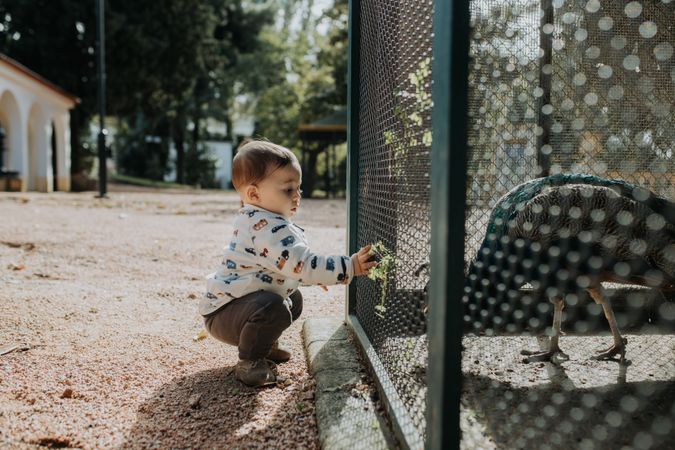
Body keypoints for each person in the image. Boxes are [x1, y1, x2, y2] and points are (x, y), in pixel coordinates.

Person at [201, 139, 377, 387]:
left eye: (299, 188)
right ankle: (250, 362)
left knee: (293, 299)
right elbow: (302, 264)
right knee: (274, 307)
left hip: (238, 306)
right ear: (253, 193)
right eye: (287, 189)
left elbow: (286, 265)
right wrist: (350, 266)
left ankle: (264, 343)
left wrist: (311, 277)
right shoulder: (266, 228)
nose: (297, 196)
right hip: (224, 314)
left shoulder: (262, 217)